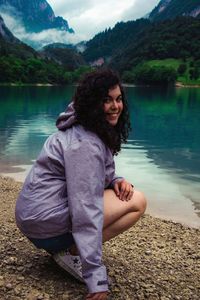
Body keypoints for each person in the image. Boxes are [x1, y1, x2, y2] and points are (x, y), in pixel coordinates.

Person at [15, 68, 147, 300]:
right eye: (106, 100)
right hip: (44, 223)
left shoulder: (84, 128)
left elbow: (91, 177)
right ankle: (71, 253)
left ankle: (68, 248)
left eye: (118, 99)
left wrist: (115, 180)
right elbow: (86, 208)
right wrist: (95, 277)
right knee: (137, 201)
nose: (115, 106)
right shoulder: (85, 143)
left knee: (124, 194)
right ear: (93, 103)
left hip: (36, 218)